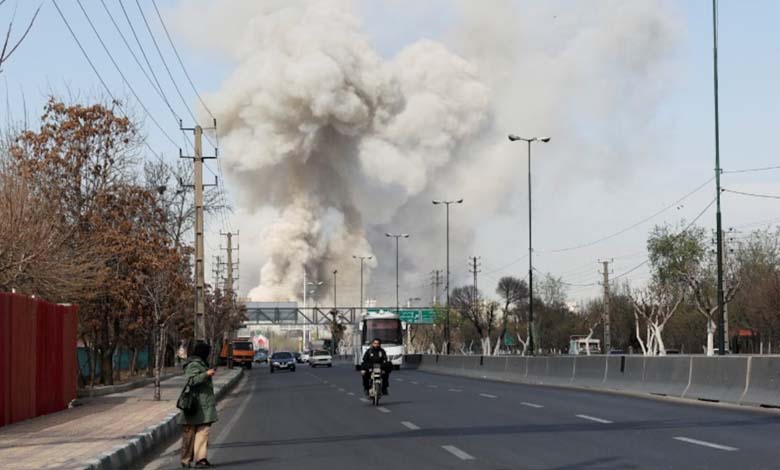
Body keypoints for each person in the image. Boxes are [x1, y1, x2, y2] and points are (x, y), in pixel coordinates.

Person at [178, 341, 217, 468]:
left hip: (204, 404)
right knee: (189, 434)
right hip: (194, 404)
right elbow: (191, 380)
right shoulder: (193, 364)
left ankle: (201, 459)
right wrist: (206, 374)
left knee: (203, 431)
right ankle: (186, 460)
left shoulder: (202, 363)